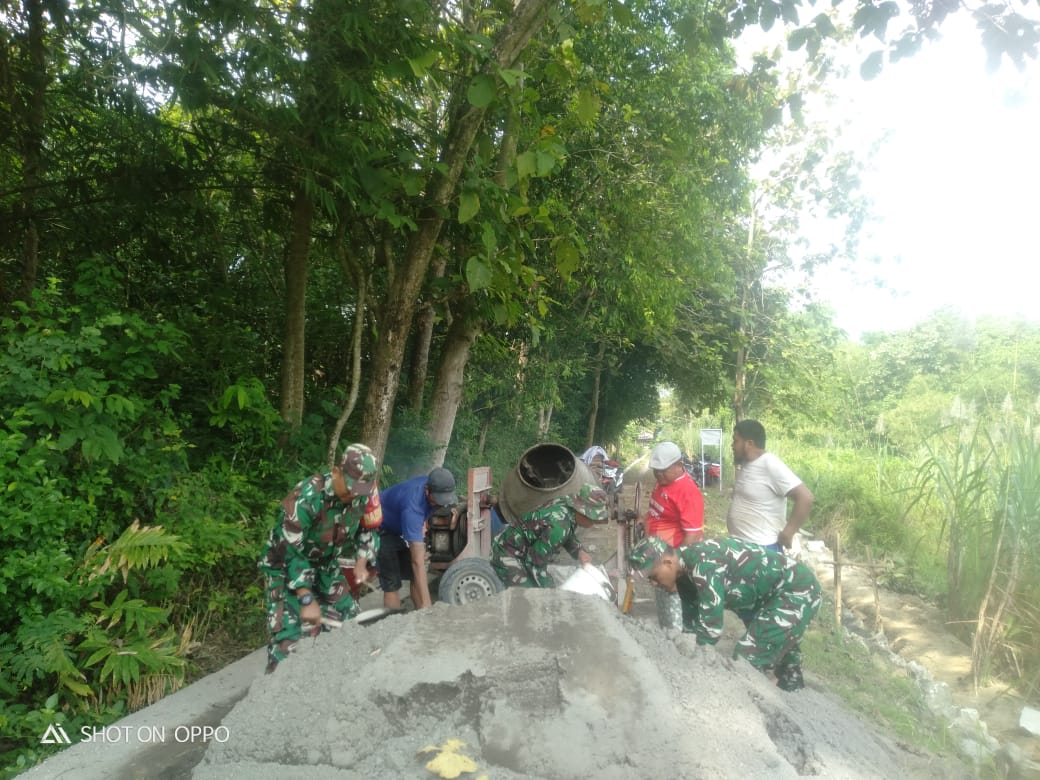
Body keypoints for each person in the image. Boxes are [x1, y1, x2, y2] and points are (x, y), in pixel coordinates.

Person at [628, 535, 821, 691]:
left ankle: (752, 711)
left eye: (653, 576)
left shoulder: (703, 566)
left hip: (796, 589)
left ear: (668, 562)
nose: (653, 584)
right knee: (773, 642)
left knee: (747, 658)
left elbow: (710, 631)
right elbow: (691, 627)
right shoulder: (683, 576)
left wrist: (693, 677)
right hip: (768, 596)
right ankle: (792, 689)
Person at [258, 443, 382, 673]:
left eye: (360, 490)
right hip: (286, 569)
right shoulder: (304, 500)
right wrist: (306, 598)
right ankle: (272, 696)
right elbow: (290, 553)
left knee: (350, 625)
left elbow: (368, 529)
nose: (354, 495)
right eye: (350, 488)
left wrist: (362, 560)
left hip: (325, 565)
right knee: (289, 642)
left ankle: (335, 681)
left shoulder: (362, 493)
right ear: (336, 472)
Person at [491, 483, 610, 588]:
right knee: (529, 598)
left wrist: (579, 551)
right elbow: (534, 564)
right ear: (583, 512)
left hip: (519, 549)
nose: (594, 523)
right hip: (507, 554)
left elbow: (567, 533)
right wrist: (551, 592)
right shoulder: (558, 527)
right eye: (594, 518)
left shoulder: (565, 506)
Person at [377, 466, 458, 610]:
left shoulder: (436, 484)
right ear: (427, 490)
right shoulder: (412, 507)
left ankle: (420, 615)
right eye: (437, 500)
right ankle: (392, 624)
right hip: (383, 527)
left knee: (416, 577)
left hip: (403, 526)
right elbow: (417, 563)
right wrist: (429, 608)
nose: (440, 504)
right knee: (392, 583)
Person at [727, 419, 814, 552]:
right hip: (741, 546)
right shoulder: (747, 464)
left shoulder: (770, 463)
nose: (732, 445)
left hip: (762, 550)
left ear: (749, 443)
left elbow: (805, 497)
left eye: (736, 441)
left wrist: (788, 532)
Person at [644, 441, 704, 629]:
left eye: (663, 470)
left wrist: (675, 570)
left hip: (675, 561)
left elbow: (692, 535)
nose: (658, 475)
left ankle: (681, 645)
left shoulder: (688, 492)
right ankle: (667, 637)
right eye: (656, 470)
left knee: (676, 609)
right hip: (660, 556)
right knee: (664, 606)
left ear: (679, 466)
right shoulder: (663, 482)